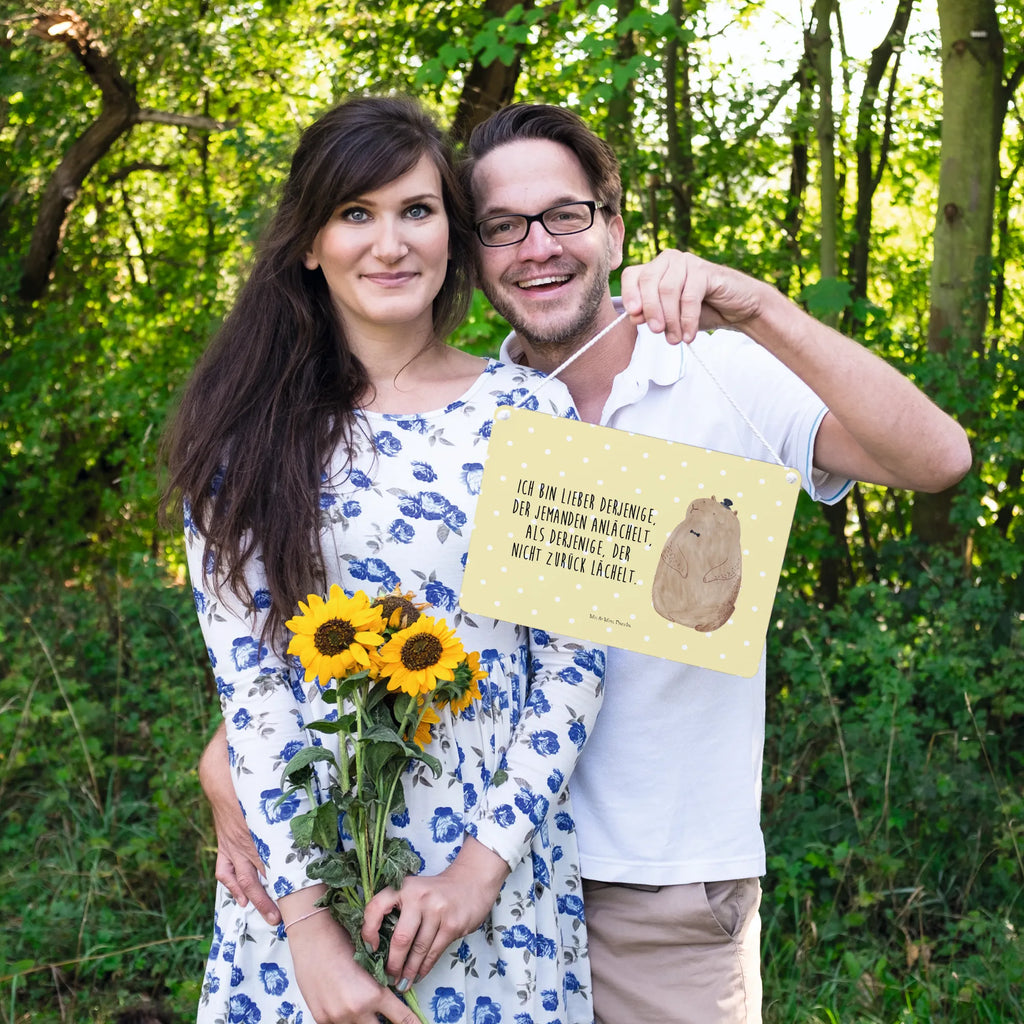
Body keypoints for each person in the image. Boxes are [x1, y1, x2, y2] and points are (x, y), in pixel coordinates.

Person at [201, 102, 972, 1024]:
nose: (537, 247)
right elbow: (327, 636)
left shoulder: (711, 373)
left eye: (564, 215)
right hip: (420, 876)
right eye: (502, 227)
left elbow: (938, 461)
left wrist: (760, 306)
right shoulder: (455, 414)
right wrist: (234, 771)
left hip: (651, 888)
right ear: (474, 250)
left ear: (612, 225)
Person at [163, 96, 611, 1024]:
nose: (391, 243)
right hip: (303, 885)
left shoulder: (536, 414)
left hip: (492, 886)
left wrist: (478, 873)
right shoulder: (241, 439)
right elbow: (253, 693)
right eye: (355, 214)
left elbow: (573, 665)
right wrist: (312, 938)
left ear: (452, 230)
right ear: (308, 243)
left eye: (417, 210)